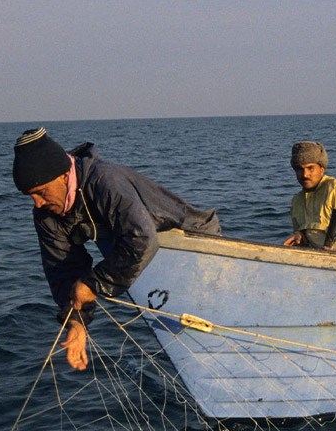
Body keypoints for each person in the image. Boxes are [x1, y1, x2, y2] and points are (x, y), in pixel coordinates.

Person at [12, 127, 221, 370]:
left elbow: (141, 240)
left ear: (63, 176)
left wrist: (92, 284)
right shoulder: (47, 215)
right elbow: (62, 268)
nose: (37, 203)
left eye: (40, 192)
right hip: (145, 260)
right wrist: (77, 322)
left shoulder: (105, 182)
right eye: (30, 196)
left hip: (197, 242)